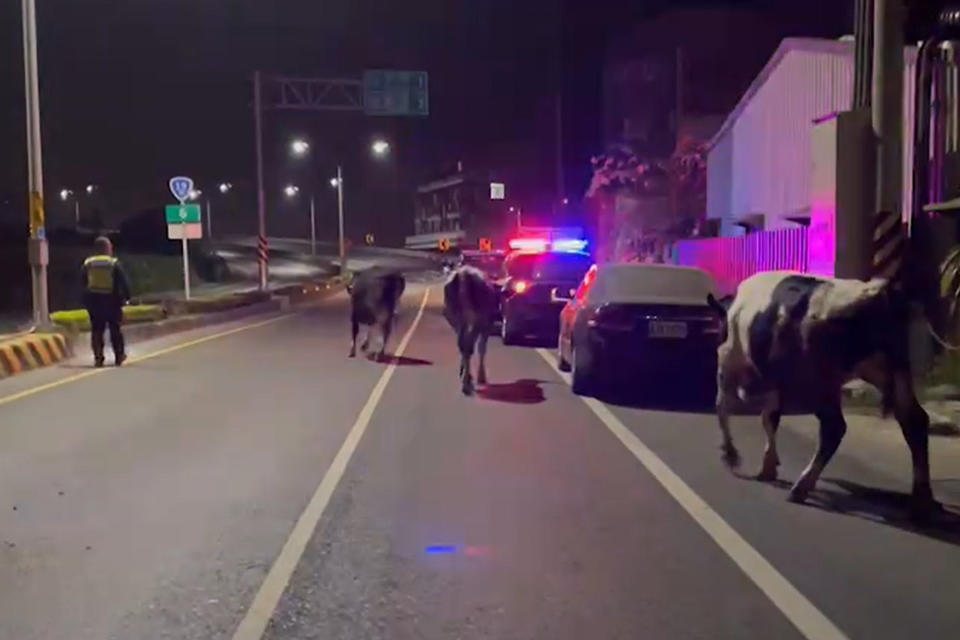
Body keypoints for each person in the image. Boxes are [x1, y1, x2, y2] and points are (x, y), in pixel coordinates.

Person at [81, 236, 131, 367]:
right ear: (107, 248)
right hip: (111, 300)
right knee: (115, 329)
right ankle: (119, 356)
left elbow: (82, 282)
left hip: (94, 300)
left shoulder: (88, 263)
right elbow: (123, 282)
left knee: (97, 330)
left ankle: (98, 357)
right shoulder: (113, 263)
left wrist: (84, 299)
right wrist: (127, 297)